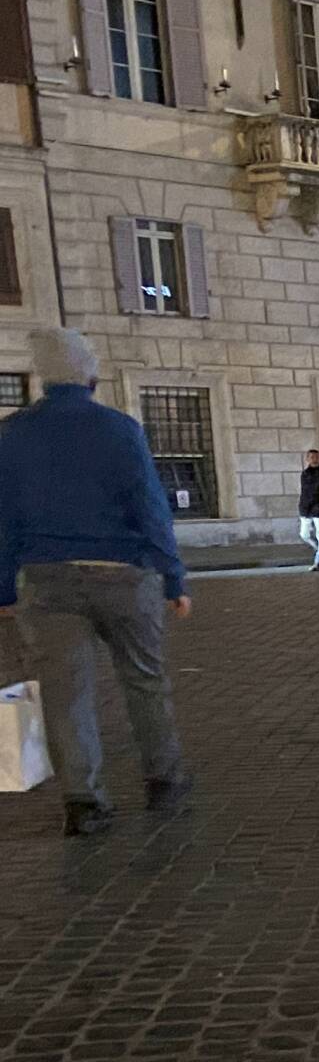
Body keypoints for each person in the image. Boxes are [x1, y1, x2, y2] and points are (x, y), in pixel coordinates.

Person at [0, 327, 192, 836]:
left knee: (66, 695)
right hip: (125, 575)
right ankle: (164, 779)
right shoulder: (119, 429)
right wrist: (173, 578)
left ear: (44, 377)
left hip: (48, 580)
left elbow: (3, 520)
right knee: (145, 682)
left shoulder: (13, 433)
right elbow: (151, 509)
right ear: (89, 372)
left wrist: (2, 589)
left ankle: (84, 801)